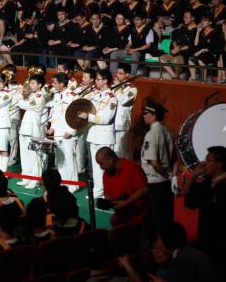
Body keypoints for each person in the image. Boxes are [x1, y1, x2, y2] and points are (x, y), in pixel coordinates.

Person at [182, 146, 226, 271]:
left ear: (219, 164)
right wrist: (194, 175)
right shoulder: (207, 182)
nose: (204, 163)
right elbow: (185, 192)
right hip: (207, 236)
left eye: (208, 160)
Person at [79, 70, 117, 198]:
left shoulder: (111, 98)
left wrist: (88, 116)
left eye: (98, 79)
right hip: (94, 134)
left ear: (105, 81)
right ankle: (98, 189)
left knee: (107, 166)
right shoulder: (95, 94)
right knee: (96, 166)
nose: (96, 81)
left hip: (104, 136)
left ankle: (108, 190)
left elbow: (106, 118)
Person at [140, 100, 175, 233]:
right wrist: (172, 176)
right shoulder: (167, 131)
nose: (143, 115)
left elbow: (154, 163)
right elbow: (175, 159)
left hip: (155, 183)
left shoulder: (151, 134)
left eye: (146, 113)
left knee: (157, 221)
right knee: (167, 218)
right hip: (166, 183)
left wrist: (167, 176)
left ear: (154, 116)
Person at [149, 221, 218, 282]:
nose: (157, 243)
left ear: (165, 239)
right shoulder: (185, 252)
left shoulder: (181, 259)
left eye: (158, 239)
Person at [96, 147, 148, 227]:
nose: (101, 167)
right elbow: (109, 196)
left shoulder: (132, 168)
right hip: (121, 217)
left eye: (101, 163)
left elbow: (144, 189)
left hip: (140, 217)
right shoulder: (106, 175)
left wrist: (126, 203)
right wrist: (107, 203)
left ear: (111, 160)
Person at [46, 73, 79, 192]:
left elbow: (78, 116)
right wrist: (52, 127)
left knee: (69, 159)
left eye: (55, 83)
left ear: (62, 83)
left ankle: (73, 185)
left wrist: (71, 131)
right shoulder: (56, 95)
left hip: (68, 133)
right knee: (60, 160)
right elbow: (56, 114)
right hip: (58, 133)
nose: (53, 85)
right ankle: (63, 182)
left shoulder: (73, 96)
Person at [17, 74, 46, 189]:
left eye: (33, 83)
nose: (31, 85)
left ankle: (35, 179)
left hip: (33, 130)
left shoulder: (39, 97)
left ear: (40, 85)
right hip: (25, 128)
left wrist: (20, 95)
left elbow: (23, 105)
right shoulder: (32, 95)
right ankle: (26, 177)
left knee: (34, 156)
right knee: (24, 155)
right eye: (30, 83)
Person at [113, 63, 138, 158]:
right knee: (115, 152)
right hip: (112, 122)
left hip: (122, 123)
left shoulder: (132, 89)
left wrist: (117, 88)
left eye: (120, 73)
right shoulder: (115, 86)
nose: (117, 75)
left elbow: (123, 100)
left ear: (127, 74)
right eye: (117, 73)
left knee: (124, 152)